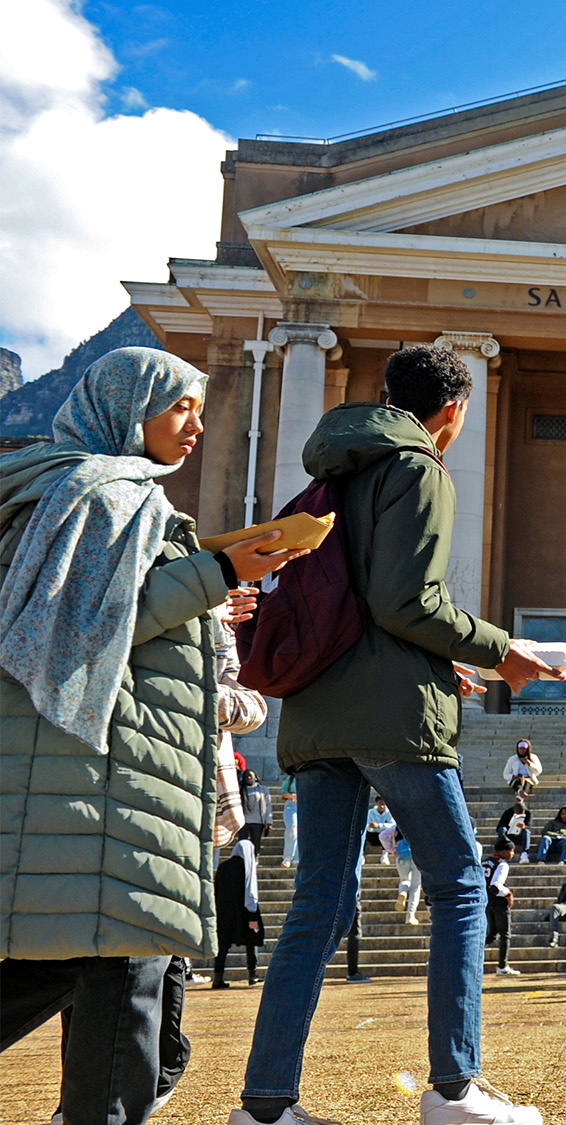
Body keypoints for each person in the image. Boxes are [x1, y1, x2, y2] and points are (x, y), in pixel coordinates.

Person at [235, 343, 558, 1125]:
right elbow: (404, 601)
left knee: (316, 906)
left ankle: (266, 1107)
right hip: (392, 724)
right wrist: (501, 649)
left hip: (316, 716)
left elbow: (355, 605)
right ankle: (455, 1091)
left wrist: (432, 661)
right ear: (452, 412)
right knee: (458, 886)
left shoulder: (328, 475)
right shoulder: (419, 470)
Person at [0, 347, 300, 1125]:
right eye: (179, 407)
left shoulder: (97, 495)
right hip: (104, 786)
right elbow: (92, 619)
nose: (198, 425)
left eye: (201, 408)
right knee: (116, 998)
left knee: (110, 994)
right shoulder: (97, 492)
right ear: (125, 407)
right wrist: (221, 568)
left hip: (117, 783)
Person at [214, 830, 265, 987]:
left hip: (224, 913)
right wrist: (253, 914)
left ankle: (218, 977)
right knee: (252, 940)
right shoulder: (247, 867)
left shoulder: (223, 867)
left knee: (222, 945)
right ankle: (252, 974)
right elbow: (250, 892)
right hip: (246, 912)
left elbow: (215, 889)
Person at [484, 840, 519, 977]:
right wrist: (508, 894)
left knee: (491, 935)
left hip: (487, 902)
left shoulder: (485, 862)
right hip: (498, 903)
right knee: (505, 934)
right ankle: (502, 966)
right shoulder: (502, 864)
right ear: (504, 851)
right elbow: (496, 885)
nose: (512, 854)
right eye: (511, 850)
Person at [241, 770, 274, 854]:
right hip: (244, 821)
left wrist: (269, 821)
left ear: (255, 777)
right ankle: (243, 859)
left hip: (258, 821)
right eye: (246, 776)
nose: (248, 778)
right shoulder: (241, 789)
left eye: (250, 776)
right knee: (242, 842)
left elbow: (268, 805)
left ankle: (254, 859)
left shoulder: (263, 789)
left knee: (256, 843)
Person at [395, 830, 423, 925]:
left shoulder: (398, 825)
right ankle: (410, 915)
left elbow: (383, 836)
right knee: (415, 887)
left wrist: (392, 850)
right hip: (418, 857)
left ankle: (403, 891)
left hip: (402, 857)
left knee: (404, 880)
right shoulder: (420, 825)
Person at [366, 796, 398, 866]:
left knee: (387, 833)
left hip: (385, 836)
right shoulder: (371, 812)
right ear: (377, 803)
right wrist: (370, 827)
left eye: (384, 804)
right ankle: (362, 854)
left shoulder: (389, 813)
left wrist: (379, 825)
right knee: (364, 833)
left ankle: (385, 854)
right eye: (380, 804)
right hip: (373, 835)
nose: (382, 806)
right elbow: (367, 824)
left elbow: (392, 825)